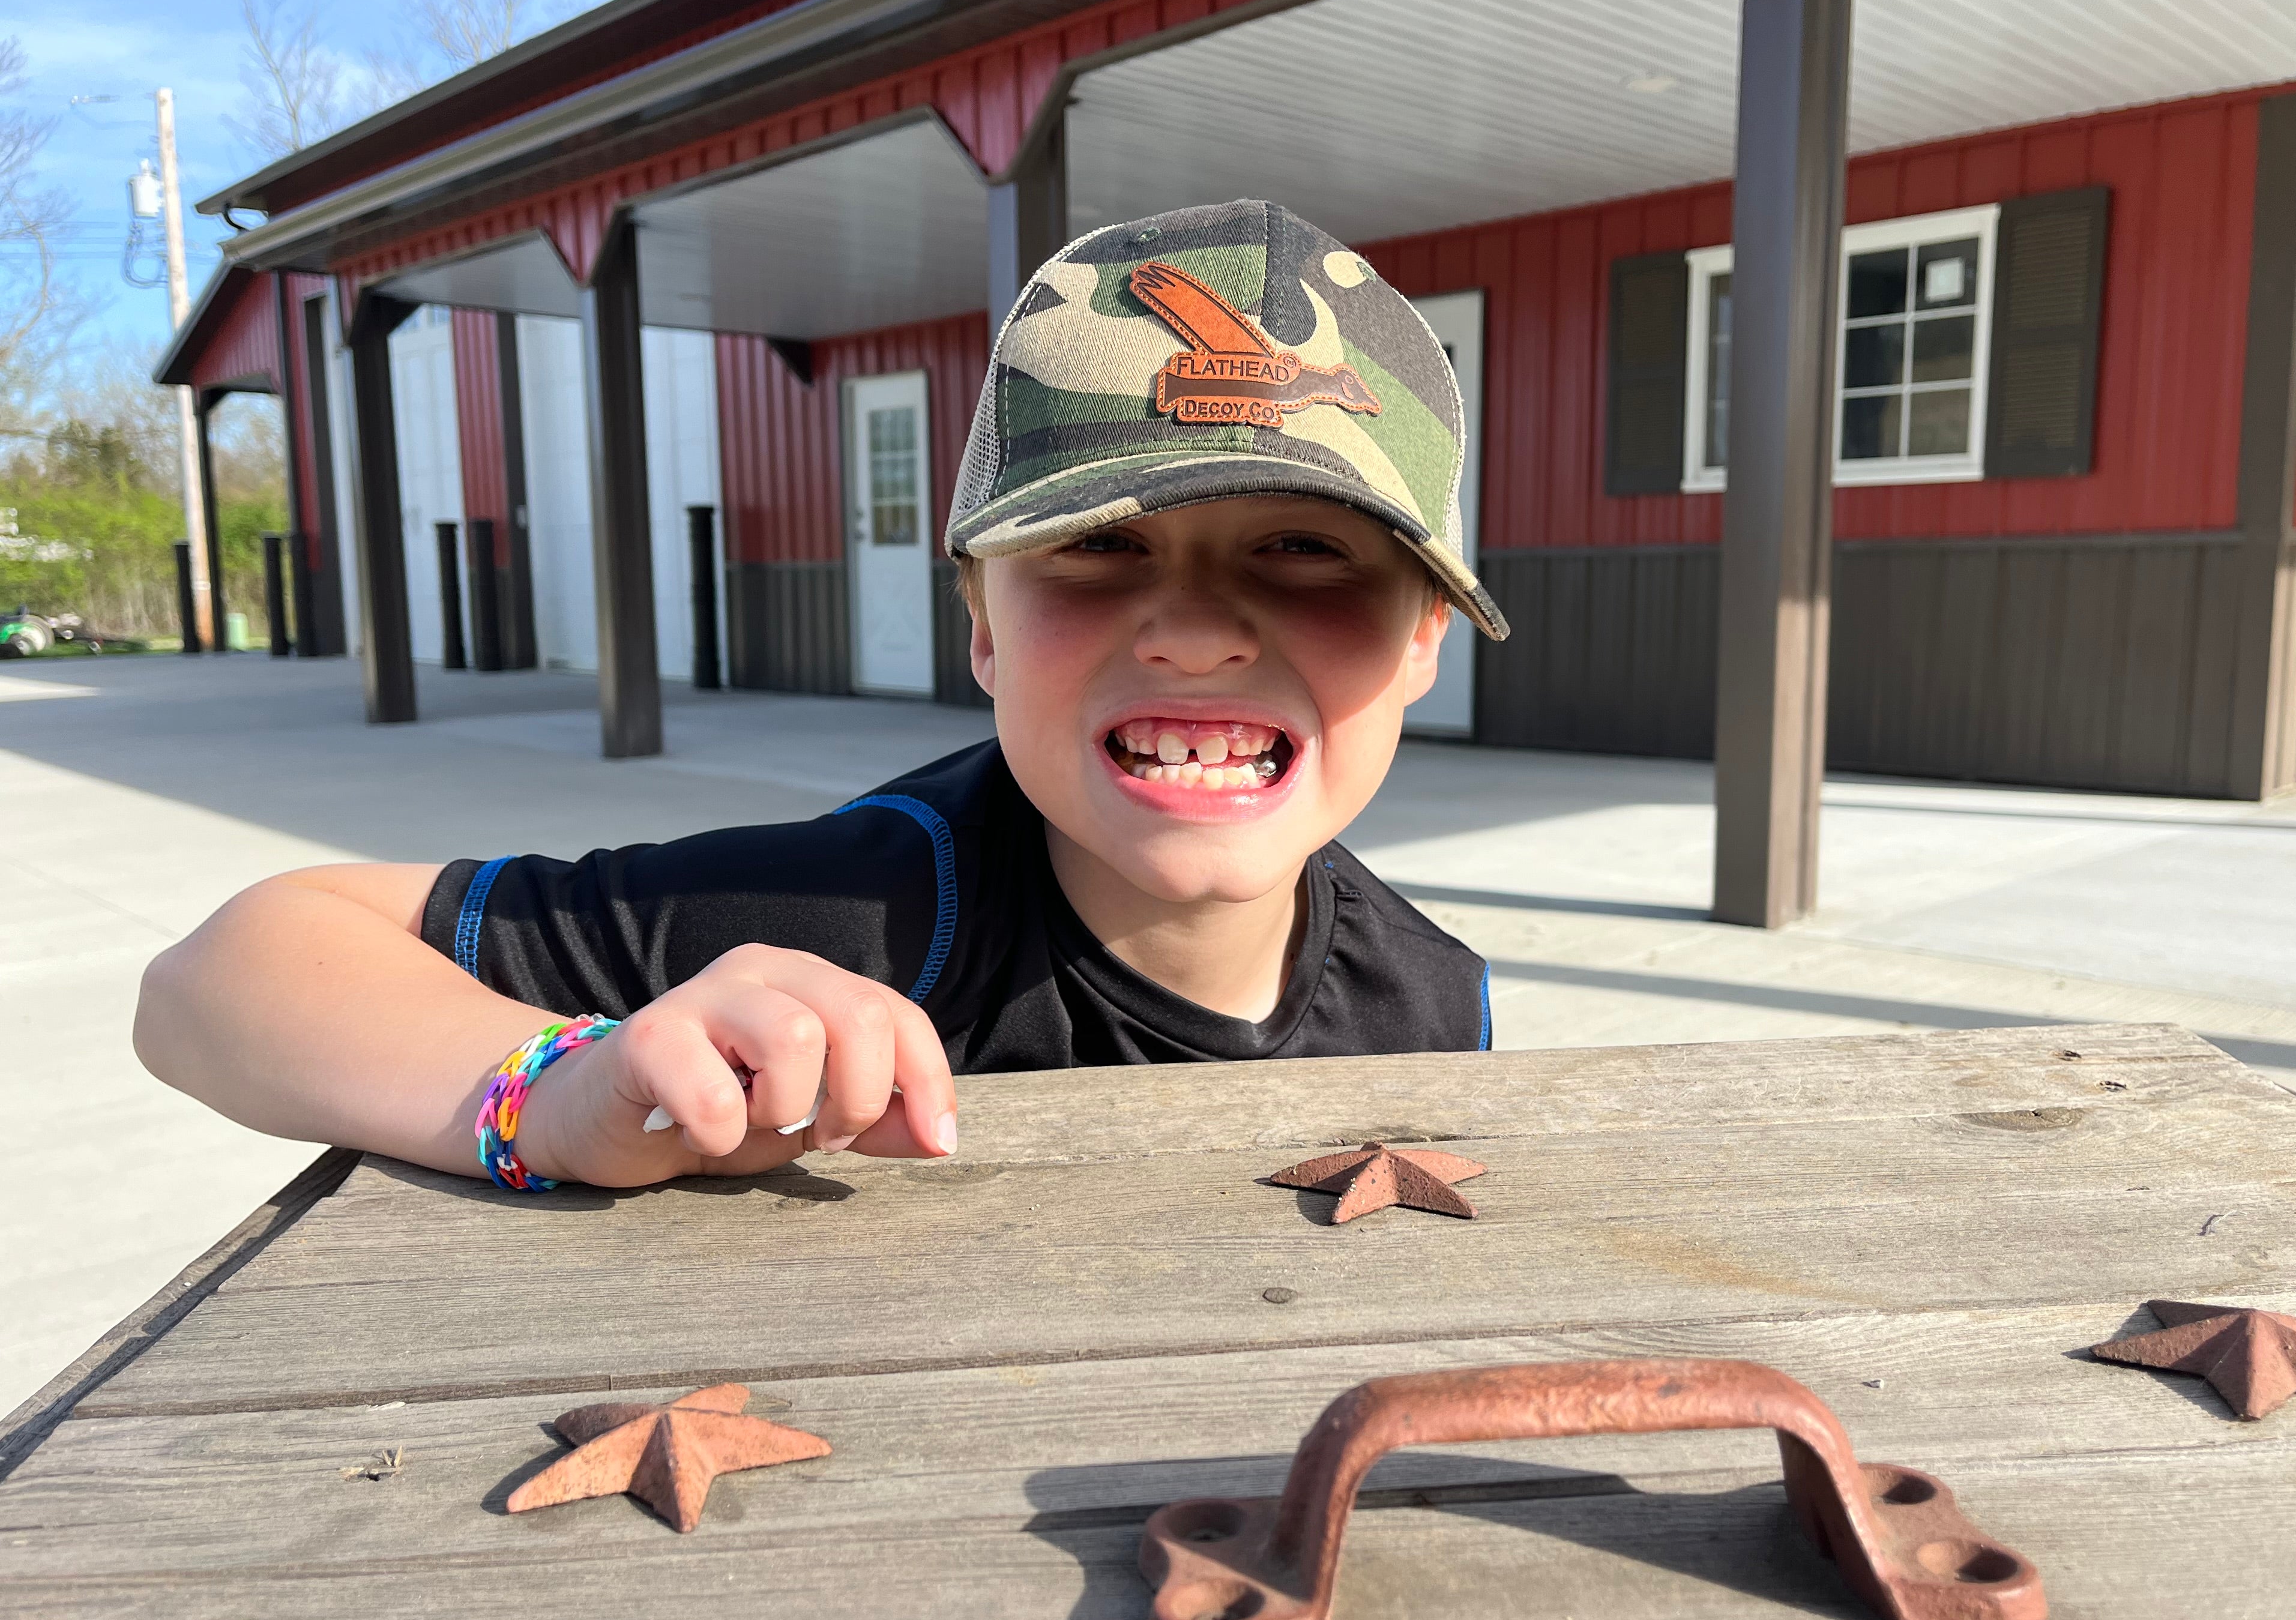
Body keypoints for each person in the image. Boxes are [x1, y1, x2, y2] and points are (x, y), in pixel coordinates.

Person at [134, 200, 1511, 1192]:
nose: (1200, 630)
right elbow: (220, 976)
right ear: (980, 626)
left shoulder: (1438, 1002)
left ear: (1422, 639)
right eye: (1102, 544)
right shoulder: (857, 925)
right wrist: (556, 1090)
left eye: (1304, 547)